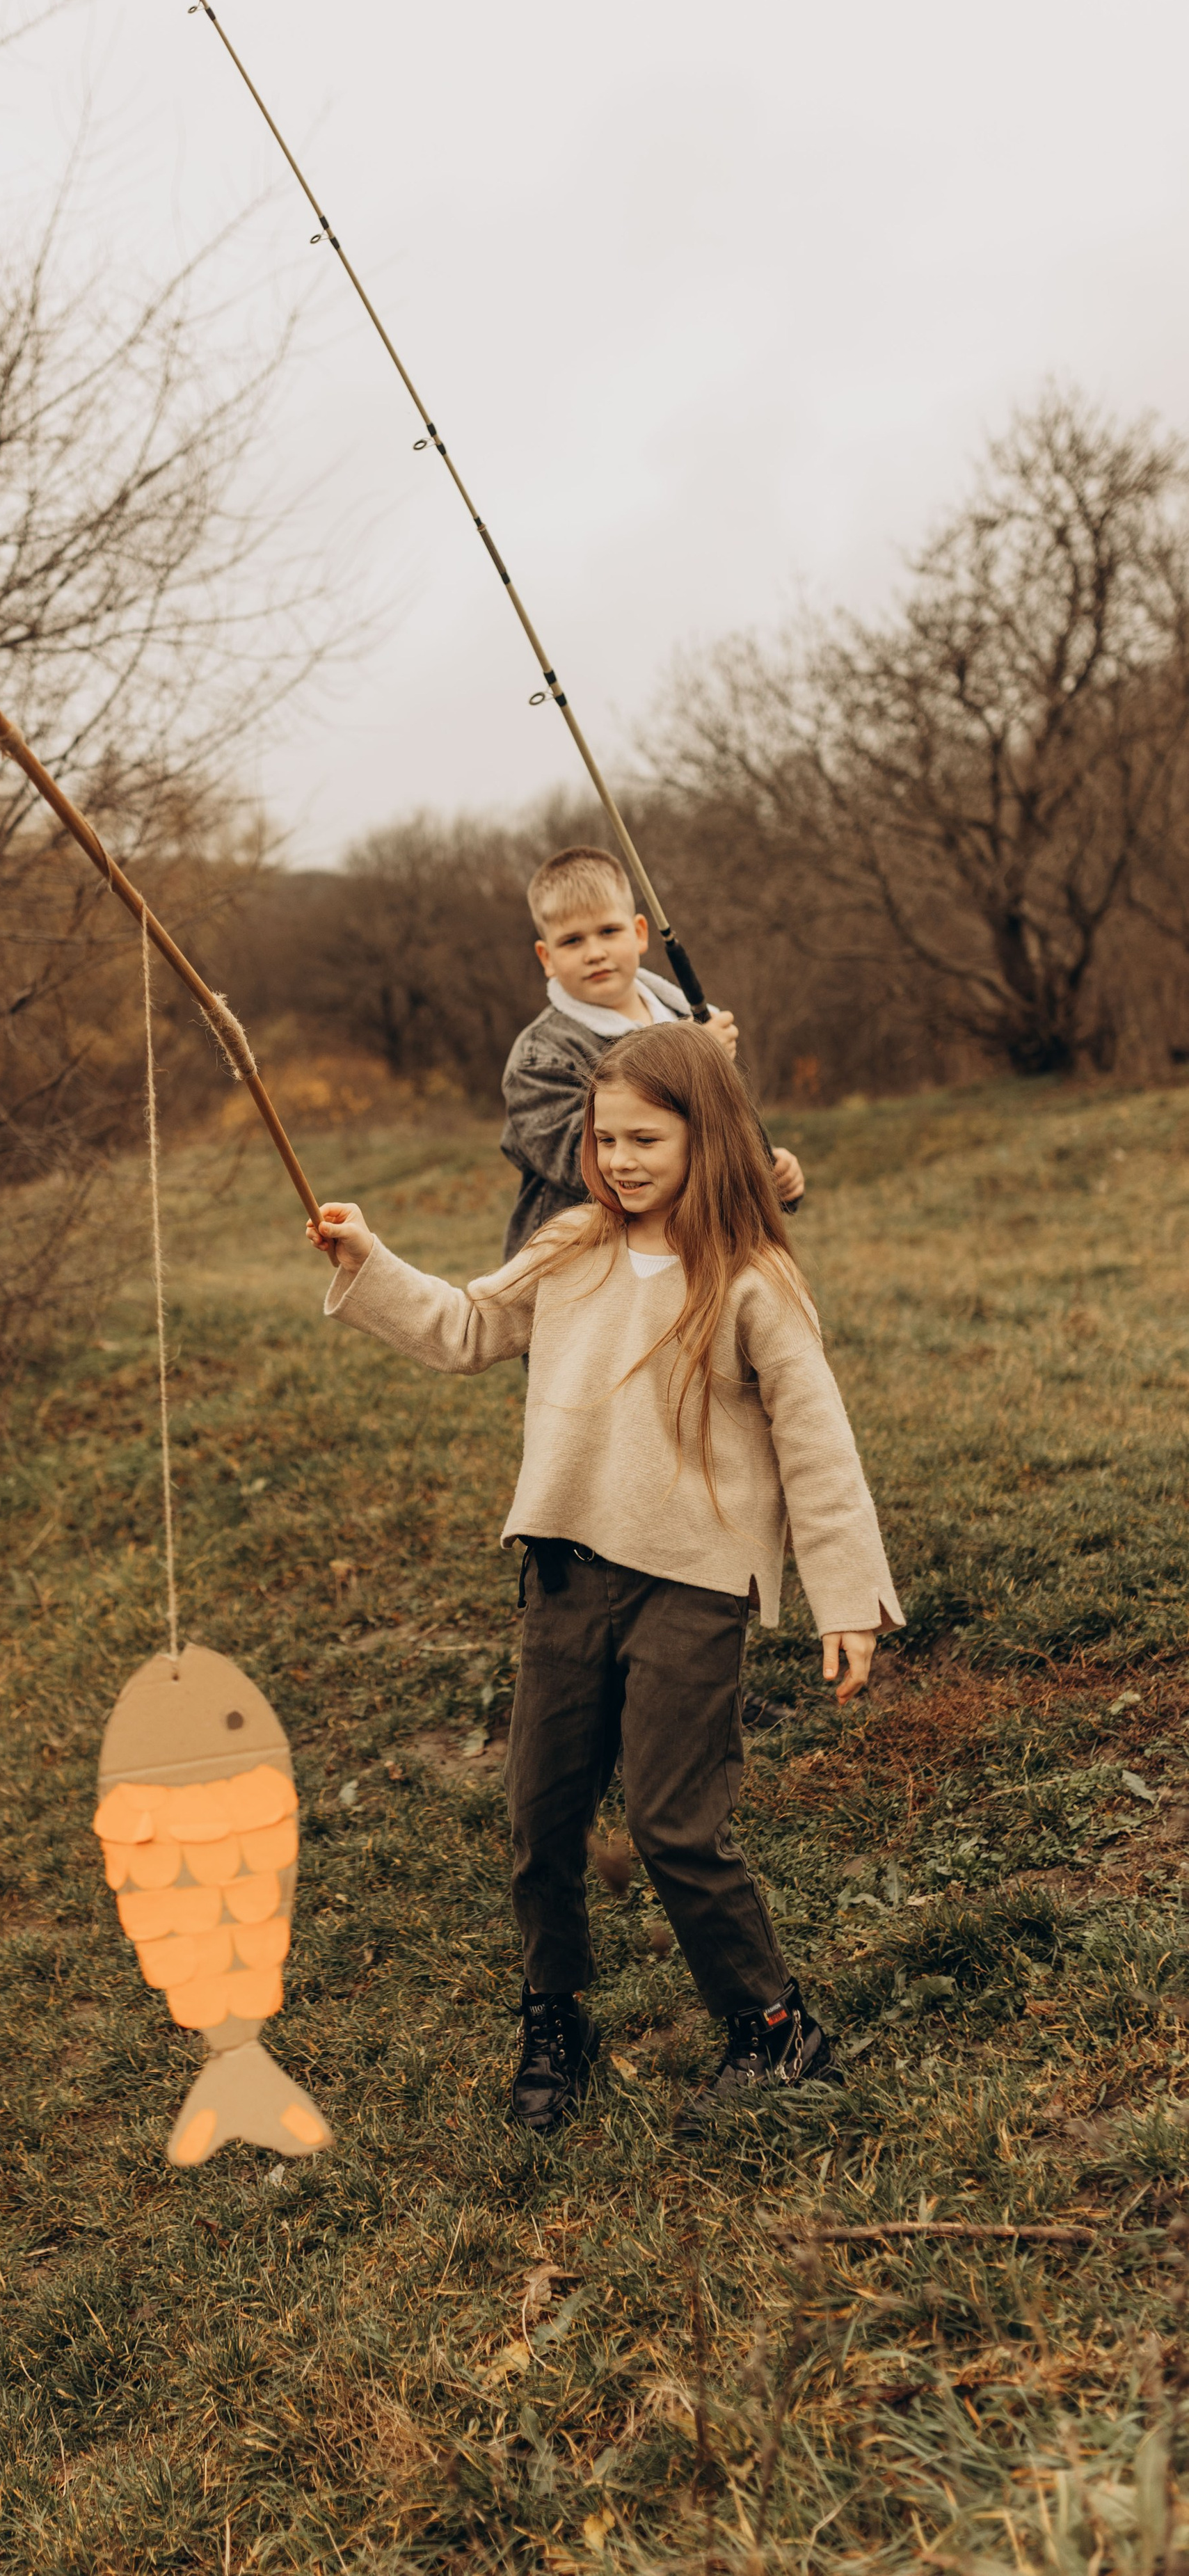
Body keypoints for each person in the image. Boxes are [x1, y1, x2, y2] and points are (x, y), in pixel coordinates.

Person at [307, 1024, 900, 2138]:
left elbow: (817, 1445)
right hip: (565, 1578)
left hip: (690, 1587)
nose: (620, 1159)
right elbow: (469, 1326)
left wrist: (848, 1596)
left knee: (676, 1827)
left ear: (705, 1134)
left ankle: (775, 2033)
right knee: (542, 1819)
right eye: (605, 1137)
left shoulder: (751, 1280)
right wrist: (368, 1263)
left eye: (646, 1138)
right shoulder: (572, 1243)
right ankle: (557, 2021)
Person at [502, 844, 805, 1262]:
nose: (595, 952)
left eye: (609, 931)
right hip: (581, 1265)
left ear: (640, 933)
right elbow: (587, 1162)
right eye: (572, 941)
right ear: (546, 957)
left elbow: (725, 1125)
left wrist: (767, 1168)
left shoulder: (691, 1016)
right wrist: (688, 1060)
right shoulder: (540, 1058)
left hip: (690, 1249)